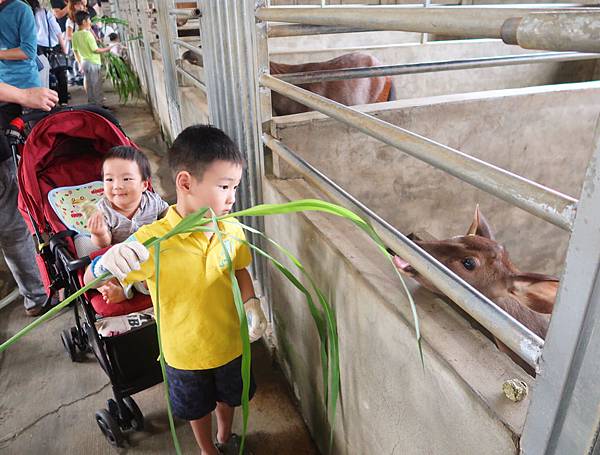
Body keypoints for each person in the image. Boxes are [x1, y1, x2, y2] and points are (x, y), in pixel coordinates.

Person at [84, 125, 268, 454]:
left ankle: (225, 436)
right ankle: (206, 450)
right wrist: (105, 261)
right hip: (184, 353)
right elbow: (90, 281)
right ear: (185, 183)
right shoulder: (151, 242)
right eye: (224, 186)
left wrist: (251, 301)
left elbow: (239, 269)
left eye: (235, 187)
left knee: (230, 396)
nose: (232, 197)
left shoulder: (231, 228)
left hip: (231, 342)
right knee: (196, 408)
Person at [0, 0, 54, 317]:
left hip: (20, 95)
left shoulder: (19, 9)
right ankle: (37, 293)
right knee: (12, 223)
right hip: (14, 98)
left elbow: (28, 52)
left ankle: (37, 292)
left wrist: (22, 96)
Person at [87, 145, 169, 304]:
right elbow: (104, 245)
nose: (117, 185)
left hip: (149, 253)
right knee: (97, 268)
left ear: (144, 185)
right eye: (109, 179)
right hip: (119, 258)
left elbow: (167, 215)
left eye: (126, 179)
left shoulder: (152, 201)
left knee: (162, 265)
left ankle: (135, 287)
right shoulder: (103, 210)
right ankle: (119, 289)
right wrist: (99, 233)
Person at [26, 0, 68, 104]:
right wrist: (64, 47)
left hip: (37, 48)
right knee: (60, 72)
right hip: (52, 46)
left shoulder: (26, 14)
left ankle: (47, 101)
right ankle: (63, 101)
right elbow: (57, 30)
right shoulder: (45, 12)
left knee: (43, 75)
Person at [71, 10, 113, 106]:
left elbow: (75, 50)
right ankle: (99, 107)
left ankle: (92, 105)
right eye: (89, 20)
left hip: (84, 63)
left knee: (89, 86)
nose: (90, 21)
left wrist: (79, 63)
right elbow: (95, 50)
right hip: (93, 62)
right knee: (96, 85)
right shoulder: (88, 34)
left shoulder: (75, 35)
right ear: (84, 22)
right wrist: (108, 48)